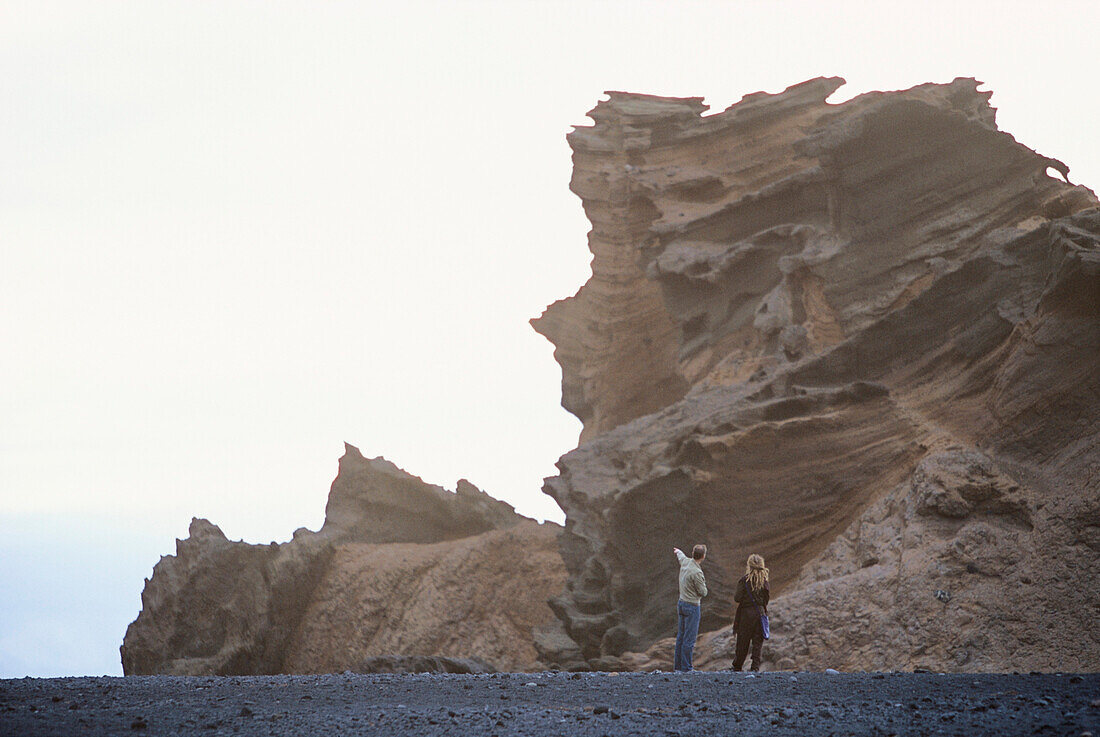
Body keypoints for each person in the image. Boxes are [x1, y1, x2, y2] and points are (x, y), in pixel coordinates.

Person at [731, 553, 770, 672]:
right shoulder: (764, 581)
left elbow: (737, 598)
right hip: (760, 613)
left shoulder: (744, 580)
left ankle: (738, 665)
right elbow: (766, 599)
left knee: (743, 640)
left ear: (749, 565)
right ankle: (755, 667)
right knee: (758, 641)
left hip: (746, 614)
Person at [672, 544, 708, 671]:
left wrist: (678, 551)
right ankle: (686, 668)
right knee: (689, 639)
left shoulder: (685, 562)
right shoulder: (697, 572)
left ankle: (678, 667)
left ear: (693, 554)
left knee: (680, 637)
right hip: (692, 607)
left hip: (681, 604)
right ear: (703, 556)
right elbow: (703, 592)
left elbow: (681, 556)